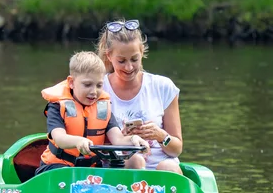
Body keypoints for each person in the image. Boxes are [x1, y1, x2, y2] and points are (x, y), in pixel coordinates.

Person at [35, 51, 150, 175]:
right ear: (71, 82)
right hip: (56, 168)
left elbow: (118, 139)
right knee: (66, 175)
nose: (94, 91)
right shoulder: (57, 107)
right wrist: (78, 141)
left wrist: (134, 139)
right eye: (87, 84)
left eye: (99, 85)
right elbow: (59, 139)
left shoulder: (103, 109)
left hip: (92, 170)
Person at [96, 19, 184, 174]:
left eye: (134, 59)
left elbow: (176, 149)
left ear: (142, 52)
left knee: (168, 167)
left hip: (161, 166)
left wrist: (160, 135)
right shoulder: (97, 88)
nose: (129, 67)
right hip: (118, 168)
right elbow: (89, 142)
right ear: (109, 56)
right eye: (121, 61)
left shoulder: (162, 86)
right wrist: (120, 139)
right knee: (135, 160)